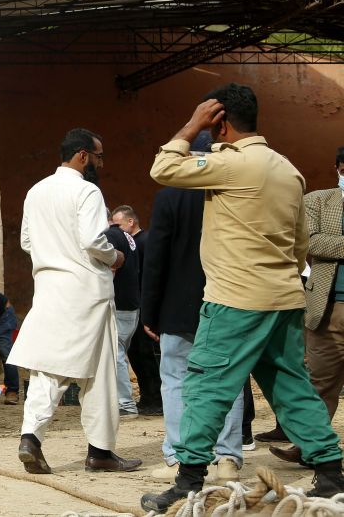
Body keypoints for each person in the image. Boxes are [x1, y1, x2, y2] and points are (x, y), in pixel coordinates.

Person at [141, 83, 344, 511]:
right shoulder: (288, 169)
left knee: (206, 386)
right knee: (292, 386)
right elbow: (300, 242)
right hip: (285, 298)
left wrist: (191, 124)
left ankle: (188, 479)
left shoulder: (230, 164)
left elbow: (163, 168)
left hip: (235, 298)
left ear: (220, 123)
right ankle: (329, 473)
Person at [10, 128, 141, 474]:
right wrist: (115, 258)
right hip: (86, 292)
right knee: (98, 374)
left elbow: (27, 241)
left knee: (47, 368)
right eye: (98, 156)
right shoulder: (87, 190)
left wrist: (54, 255)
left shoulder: (36, 190)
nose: (100, 163)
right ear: (83, 155)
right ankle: (99, 451)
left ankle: (31, 437)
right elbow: (92, 240)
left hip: (49, 288)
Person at [140, 132, 244, 483]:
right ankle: (227, 458)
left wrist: (149, 312)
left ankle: (177, 457)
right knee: (228, 381)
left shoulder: (170, 195)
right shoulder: (234, 191)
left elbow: (156, 258)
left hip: (177, 306)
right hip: (228, 299)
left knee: (175, 381)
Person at [269, 146, 344, 466]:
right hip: (327, 308)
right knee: (318, 382)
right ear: (340, 168)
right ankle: (307, 446)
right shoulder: (317, 200)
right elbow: (311, 241)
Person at [112, 204, 162, 415]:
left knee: (146, 355)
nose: (115, 230)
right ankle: (147, 396)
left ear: (131, 222)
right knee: (136, 355)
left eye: (118, 225)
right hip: (138, 304)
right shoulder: (132, 242)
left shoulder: (144, 242)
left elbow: (152, 275)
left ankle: (156, 399)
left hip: (143, 305)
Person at [106, 214, 140, 419]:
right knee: (119, 354)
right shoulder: (125, 235)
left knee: (115, 355)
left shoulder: (110, 235)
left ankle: (126, 404)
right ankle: (121, 401)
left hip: (120, 304)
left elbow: (111, 269)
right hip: (131, 304)